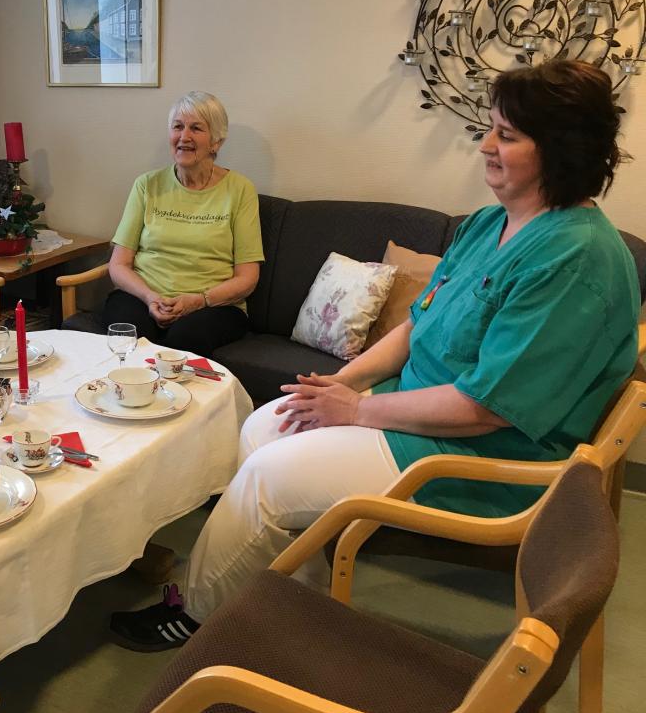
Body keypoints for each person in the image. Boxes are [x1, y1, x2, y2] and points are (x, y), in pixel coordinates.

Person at [110, 60, 641, 651]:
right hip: (416, 410)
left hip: (478, 457)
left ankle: (198, 616)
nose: (485, 145)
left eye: (507, 135)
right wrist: (340, 383)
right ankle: (296, 601)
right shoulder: (489, 225)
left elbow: (487, 408)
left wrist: (357, 410)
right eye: (490, 129)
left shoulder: (575, 259)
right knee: (265, 425)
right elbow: (416, 327)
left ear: (562, 150)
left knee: (265, 480)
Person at [105, 91, 264, 358]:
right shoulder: (147, 185)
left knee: (183, 340)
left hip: (213, 306)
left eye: (196, 128)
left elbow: (248, 278)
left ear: (216, 141)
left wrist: (199, 300)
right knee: (129, 333)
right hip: (143, 297)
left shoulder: (240, 190)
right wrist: (149, 297)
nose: (184, 136)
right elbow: (119, 265)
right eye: (178, 126)